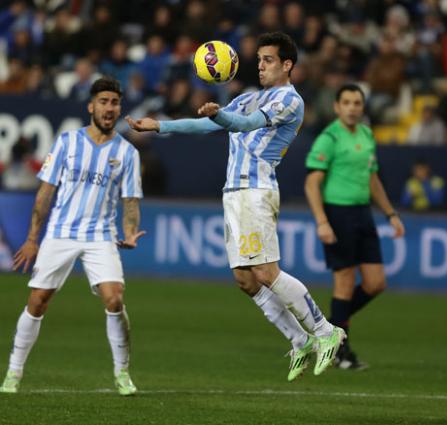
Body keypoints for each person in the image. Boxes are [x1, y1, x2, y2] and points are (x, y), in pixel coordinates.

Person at [126, 32, 345, 382]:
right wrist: (160, 126)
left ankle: (326, 331)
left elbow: (245, 124)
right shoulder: (248, 97)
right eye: (258, 60)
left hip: (256, 190)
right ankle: (299, 340)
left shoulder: (290, 101)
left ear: (288, 65)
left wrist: (220, 116)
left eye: (268, 60)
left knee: (266, 273)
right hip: (234, 193)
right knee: (245, 280)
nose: (260, 65)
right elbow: (204, 125)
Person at [0, 76, 145, 396]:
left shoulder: (128, 154)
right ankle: (14, 372)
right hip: (61, 232)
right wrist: (32, 238)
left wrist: (131, 232)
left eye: (115, 102)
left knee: (115, 297)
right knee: (38, 301)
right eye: (104, 102)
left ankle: (122, 373)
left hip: (100, 235)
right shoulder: (67, 142)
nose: (110, 108)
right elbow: (45, 193)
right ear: (91, 106)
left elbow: (130, 201)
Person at [304, 83, 405, 369]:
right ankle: (338, 350)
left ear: (362, 107)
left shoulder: (366, 135)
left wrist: (390, 213)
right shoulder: (329, 138)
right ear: (337, 107)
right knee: (345, 282)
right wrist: (322, 220)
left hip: (363, 213)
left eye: (356, 103)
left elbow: (373, 179)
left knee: (375, 283)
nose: (351, 107)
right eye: (346, 102)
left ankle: (330, 325)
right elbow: (312, 183)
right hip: (338, 213)